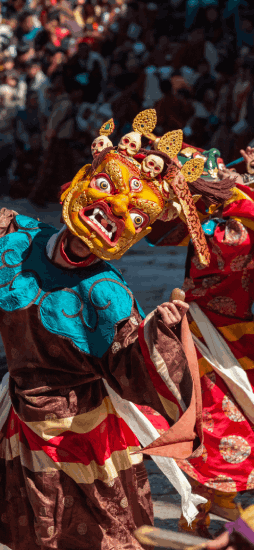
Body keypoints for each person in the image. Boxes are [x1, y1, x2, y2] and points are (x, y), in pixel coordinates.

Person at [0, 109, 206, 550]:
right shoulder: (14, 236)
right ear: (82, 178)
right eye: (108, 188)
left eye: (135, 214)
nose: (113, 210)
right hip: (19, 418)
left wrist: (162, 333)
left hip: (83, 434)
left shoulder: (108, 295)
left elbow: (132, 365)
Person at [146, 141, 254, 537]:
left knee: (224, 425)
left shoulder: (232, 213)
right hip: (200, 332)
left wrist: (230, 191)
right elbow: (156, 234)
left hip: (234, 340)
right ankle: (202, 522)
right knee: (203, 424)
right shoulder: (207, 217)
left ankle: (212, 524)